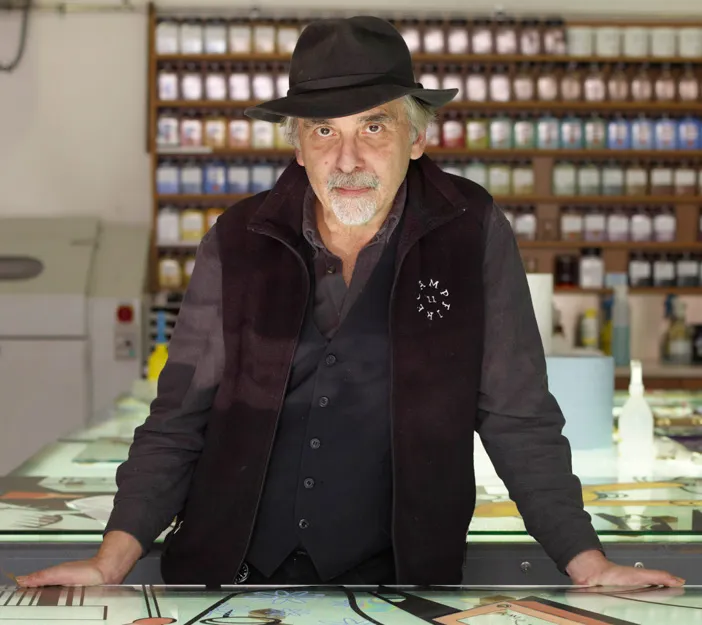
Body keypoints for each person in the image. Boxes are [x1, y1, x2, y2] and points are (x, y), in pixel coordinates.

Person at [19, 16, 683, 589]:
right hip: (231, 569)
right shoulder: (237, 237)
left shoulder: (472, 230)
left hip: (399, 574)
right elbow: (178, 416)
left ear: (418, 137)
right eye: (323, 132)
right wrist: (111, 561)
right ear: (298, 146)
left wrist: (586, 560)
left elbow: (516, 413)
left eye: (373, 126)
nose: (348, 158)